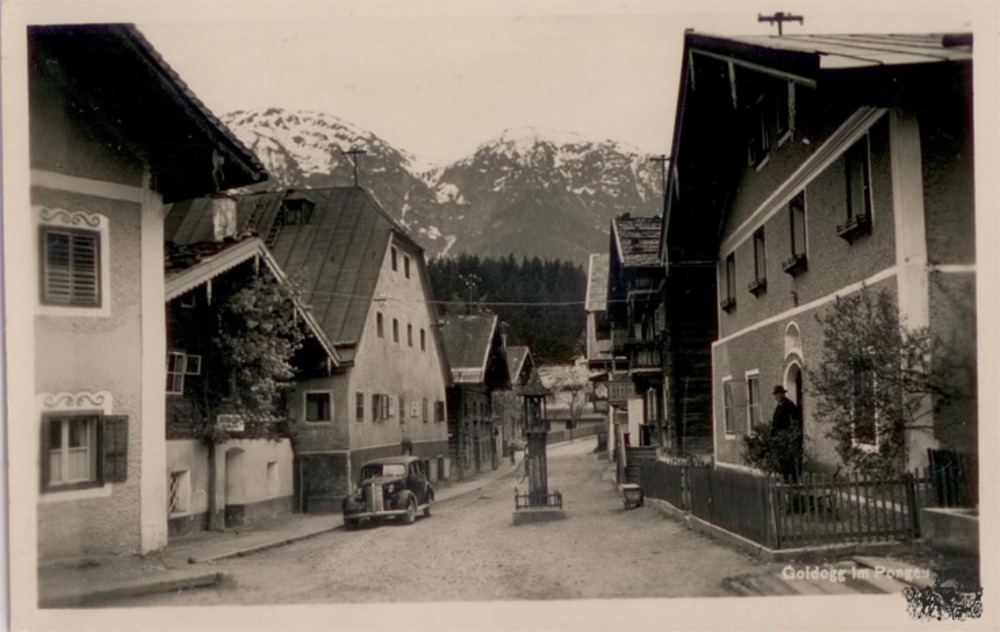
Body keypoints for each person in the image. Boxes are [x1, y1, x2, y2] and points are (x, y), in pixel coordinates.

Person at [771, 385, 802, 479]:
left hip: (786, 437)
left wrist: (791, 434)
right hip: (779, 436)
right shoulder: (779, 405)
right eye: (775, 395)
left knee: (788, 459)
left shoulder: (789, 405)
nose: (776, 397)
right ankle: (784, 478)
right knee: (781, 459)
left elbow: (796, 418)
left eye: (778, 394)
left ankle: (791, 479)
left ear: (782, 394)